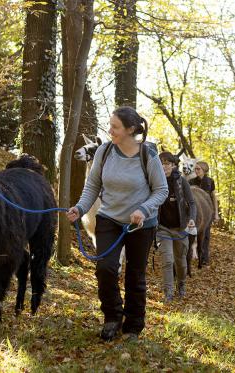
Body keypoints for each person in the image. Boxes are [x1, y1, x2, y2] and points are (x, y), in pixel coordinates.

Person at [67, 107, 167, 342]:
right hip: (109, 219)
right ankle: (112, 317)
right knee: (105, 269)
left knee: (135, 274)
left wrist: (143, 209)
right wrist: (80, 208)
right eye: (110, 125)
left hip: (141, 224)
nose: (109, 130)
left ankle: (133, 325)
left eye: (115, 127)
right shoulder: (104, 151)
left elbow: (161, 190)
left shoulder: (148, 154)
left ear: (130, 130)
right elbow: (92, 187)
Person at [156, 151, 196, 302]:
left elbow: (192, 203)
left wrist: (192, 219)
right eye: (161, 163)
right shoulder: (154, 180)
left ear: (173, 165)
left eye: (167, 163)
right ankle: (168, 293)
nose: (163, 166)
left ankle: (182, 284)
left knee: (180, 262)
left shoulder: (181, 181)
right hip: (162, 228)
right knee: (167, 260)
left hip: (181, 228)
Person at [190, 160, 217, 265]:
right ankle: (191, 253)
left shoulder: (210, 181)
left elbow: (214, 197)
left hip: (208, 212)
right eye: (195, 169)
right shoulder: (191, 182)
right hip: (195, 212)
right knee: (192, 233)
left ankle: (204, 257)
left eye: (198, 169)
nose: (196, 171)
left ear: (204, 170)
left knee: (205, 235)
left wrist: (216, 213)